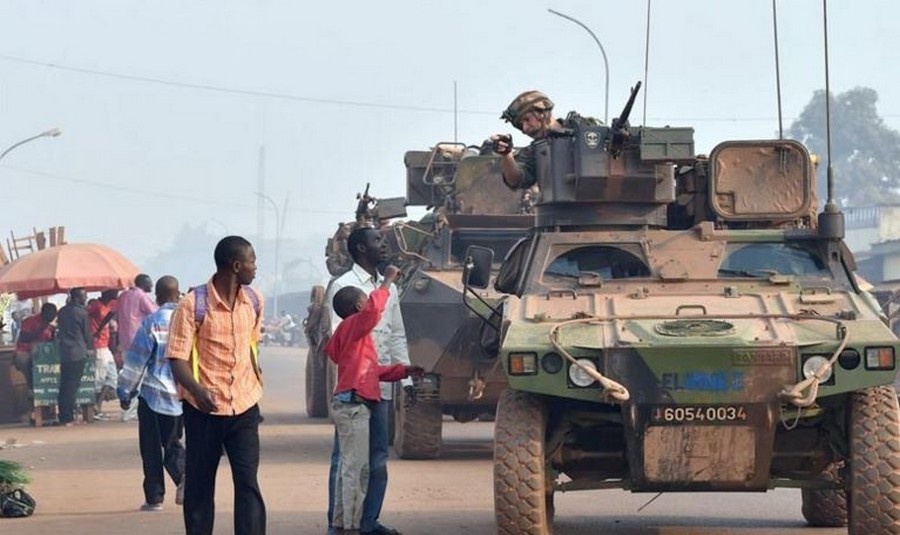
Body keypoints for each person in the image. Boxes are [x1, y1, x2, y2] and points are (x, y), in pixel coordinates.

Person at [166, 236, 266, 535]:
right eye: (252, 261)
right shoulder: (191, 305)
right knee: (199, 485)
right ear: (236, 265)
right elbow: (176, 358)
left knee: (248, 483)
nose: (255, 267)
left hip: (245, 406)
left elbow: (252, 346)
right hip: (203, 410)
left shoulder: (254, 301)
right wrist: (197, 391)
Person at [326, 227, 413, 535]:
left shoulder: (386, 291)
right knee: (347, 462)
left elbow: (396, 335)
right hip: (355, 394)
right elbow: (348, 336)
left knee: (377, 461)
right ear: (361, 248)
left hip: (379, 387)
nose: (385, 244)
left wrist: (406, 379)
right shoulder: (345, 286)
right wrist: (387, 282)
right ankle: (340, 523)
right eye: (377, 240)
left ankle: (367, 521)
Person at [117, 275, 186, 512]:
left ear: (157, 297)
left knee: (151, 448)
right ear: (177, 294)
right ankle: (185, 477)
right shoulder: (190, 322)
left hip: (154, 395)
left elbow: (136, 362)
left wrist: (125, 392)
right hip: (183, 396)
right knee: (173, 441)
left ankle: (155, 497)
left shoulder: (153, 322)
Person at [491, 90, 600, 190]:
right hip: (559, 209)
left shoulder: (585, 128)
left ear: (543, 112)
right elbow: (516, 179)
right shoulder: (535, 150)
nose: (525, 128)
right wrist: (507, 154)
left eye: (527, 119)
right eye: (521, 125)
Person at [116, 273, 158, 422]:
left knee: (129, 376)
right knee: (138, 378)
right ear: (143, 283)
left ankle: (127, 405)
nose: (151, 286)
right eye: (150, 283)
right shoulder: (141, 296)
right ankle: (130, 412)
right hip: (139, 342)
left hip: (125, 341)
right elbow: (155, 312)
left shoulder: (123, 296)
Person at [56, 287, 94, 426]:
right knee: (72, 386)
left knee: (65, 384)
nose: (86, 298)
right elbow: (86, 334)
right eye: (84, 296)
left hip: (64, 352)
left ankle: (63, 415)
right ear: (77, 298)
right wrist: (90, 349)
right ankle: (68, 418)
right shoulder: (81, 313)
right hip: (77, 352)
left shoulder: (62, 312)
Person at [14, 303, 58, 399]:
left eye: (53, 316)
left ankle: (50, 389)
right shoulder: (30, 321)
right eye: (49, 315)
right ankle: (32, 386)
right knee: (23, 360)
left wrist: (54, 334)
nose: (51, 318)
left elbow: (50, 341)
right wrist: (41, 328)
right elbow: (24, 337)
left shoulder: (50, 326)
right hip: (26, 351)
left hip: (43, 353)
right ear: (43, 313)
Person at [88, 289, 119, 419]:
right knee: (99, 378)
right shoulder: (95, 305)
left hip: (105, 345)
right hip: (98, 345)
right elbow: (85, 316)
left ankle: (97, 405)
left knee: (112, 377)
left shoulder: (108, 307)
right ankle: (93, 408)